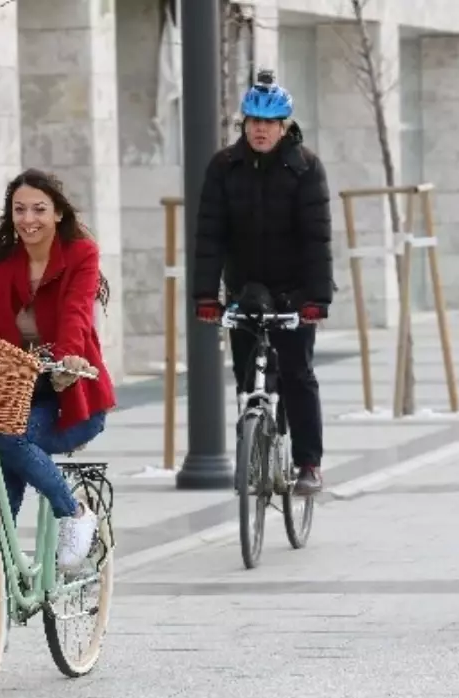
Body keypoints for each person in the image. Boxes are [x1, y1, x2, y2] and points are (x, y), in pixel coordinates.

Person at [0, 168, 116, 576]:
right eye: (19, 210)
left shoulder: (80, 254)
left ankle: (74, 513)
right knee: (0, 499)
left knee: (11, 441)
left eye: (39, 209)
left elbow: (76, 313)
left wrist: (68, 358)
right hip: (14, 398)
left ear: (58, 215)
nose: (28, 219)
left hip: (71, 399)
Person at [192, 69, 334, 496]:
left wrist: (317, 299)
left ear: (283, 126)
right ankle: (257, 438)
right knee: (247, 377)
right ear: (244, 124)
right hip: (244, 289)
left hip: (295, 292)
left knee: (297, 374)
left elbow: (317, 237)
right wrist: (205, 295)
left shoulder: (305, 167)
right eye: (253, 121)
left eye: (269, 123)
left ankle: (308, 462)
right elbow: (209, 235)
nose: (260, 129)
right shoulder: (224, 167)